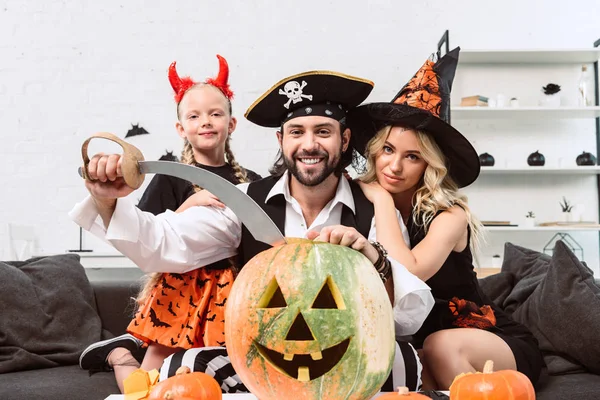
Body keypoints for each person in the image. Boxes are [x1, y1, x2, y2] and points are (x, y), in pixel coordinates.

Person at [70, 69, 434, 391]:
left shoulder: (373, 207)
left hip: (348, 358)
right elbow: (166, 245)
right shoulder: (246, 202)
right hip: (263, 355)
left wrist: (373, 258)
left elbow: (406, 317)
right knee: (181, 368)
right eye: (297, 132)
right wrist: (108, 202)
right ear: (281, 141)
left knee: (404, 361)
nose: (309, 145)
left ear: (344, 138)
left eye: (323, 131)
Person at [347, 47, 544, 390]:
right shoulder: (358, 202)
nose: (394, 167)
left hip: (479, 338)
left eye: (412, 157)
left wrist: (379, 197)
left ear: (429, 165)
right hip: (420, 337)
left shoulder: (450, 215)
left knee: (438, 347)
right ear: (376, 149)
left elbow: (408, 270)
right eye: (389, 150)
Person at [77, 55, 261, 394]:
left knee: (216, 365)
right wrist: (188, 205)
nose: (205, 121)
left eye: (216, 113)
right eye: (194, 115)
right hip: (180, 285)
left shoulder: (252, 181)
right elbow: (143, 229)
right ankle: (121, 355)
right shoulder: (169, 177)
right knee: (154, 375)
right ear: (181, 128)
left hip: (230, 290)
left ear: (231, 124)